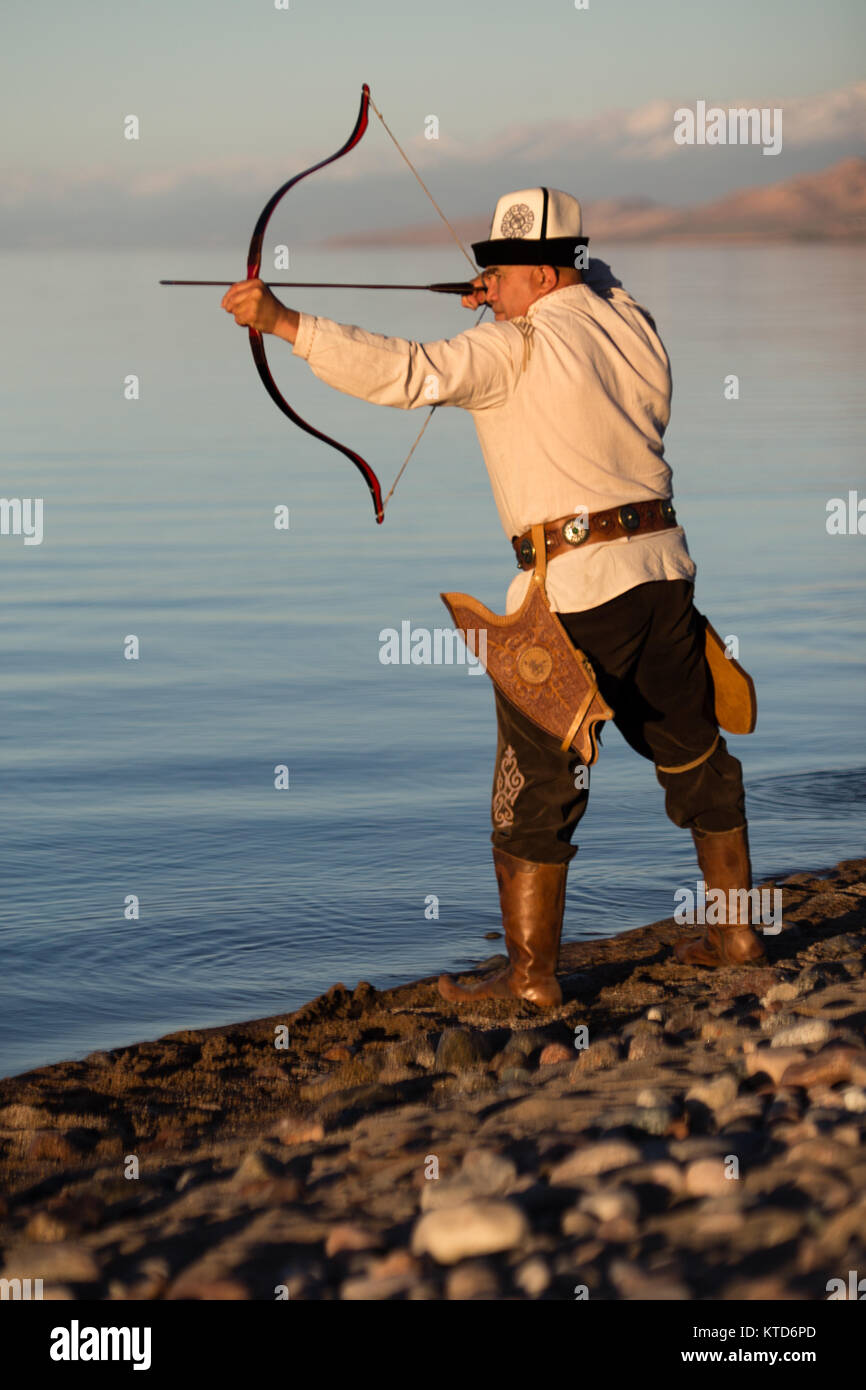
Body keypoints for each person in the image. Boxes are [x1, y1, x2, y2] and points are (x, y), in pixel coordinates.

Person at [221, 186, 767, 1010]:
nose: (489, 287)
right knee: (693, 753)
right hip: (663, 578)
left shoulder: (513, 350)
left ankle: (531, 982)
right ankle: (736, 933)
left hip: (576, 598)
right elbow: (600, 281)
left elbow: (408, 372)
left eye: (501, 272)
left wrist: (287, 324)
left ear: (542, 276)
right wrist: (518, 288)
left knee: (533, 789)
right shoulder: (633, 324)